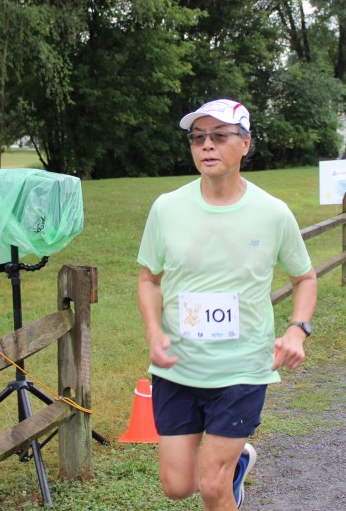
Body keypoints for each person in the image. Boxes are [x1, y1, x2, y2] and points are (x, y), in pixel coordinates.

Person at [136, 98, 318, 510]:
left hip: (242, 368)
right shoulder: (167, 208)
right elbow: (148, 279)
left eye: (220, 136)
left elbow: (304, 277)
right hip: (179, 367)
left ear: (245, 144)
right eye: (198, 137)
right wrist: (154, 331)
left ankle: (225, 475)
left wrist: (297, 329)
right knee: (177, 486)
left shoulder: (273, 213)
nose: (207, 145)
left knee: (211, 486)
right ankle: (238, 466)